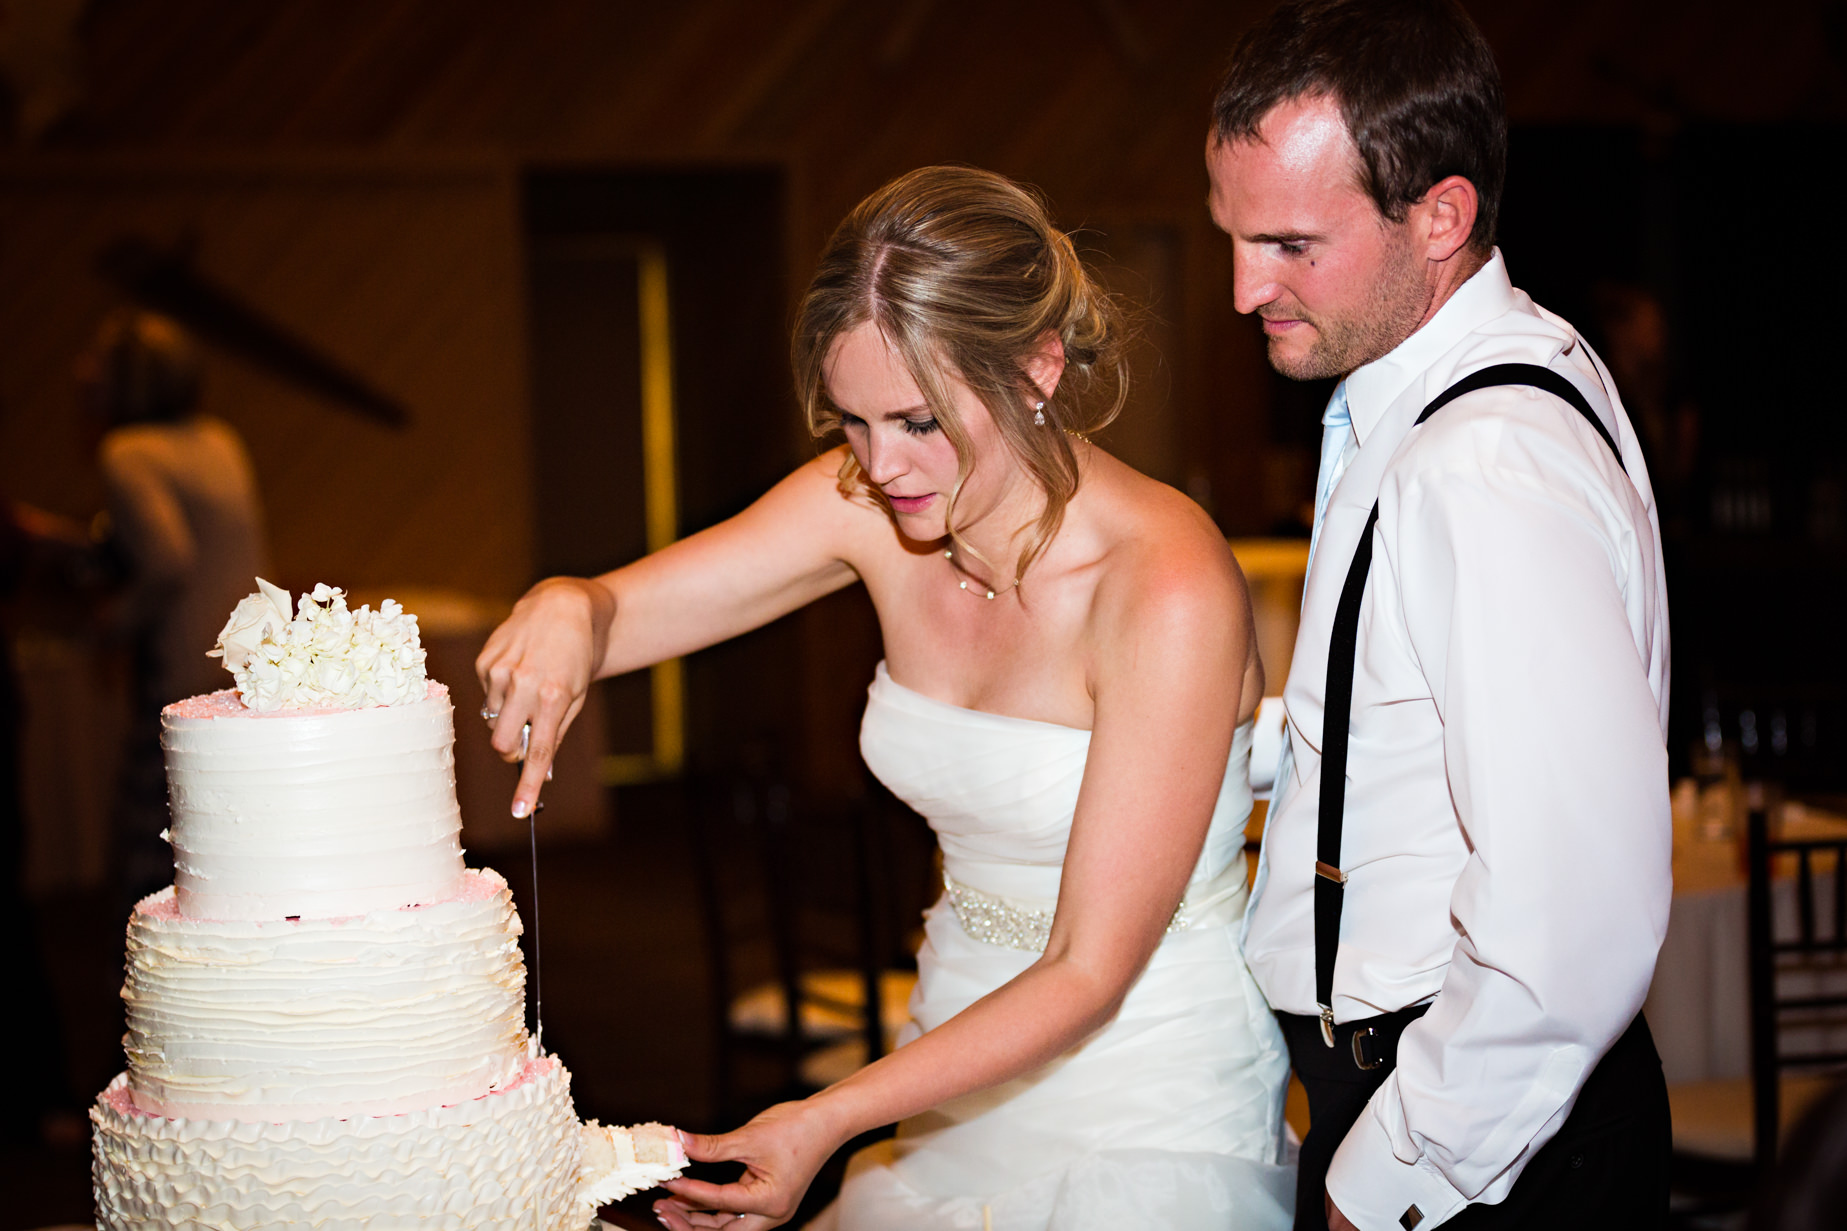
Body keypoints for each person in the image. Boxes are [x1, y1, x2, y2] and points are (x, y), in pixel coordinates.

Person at [476, 165, 1294, 1230]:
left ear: (1036, 369)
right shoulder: (869, 498)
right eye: (852, 421)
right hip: (953, 1051)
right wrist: (565, 604)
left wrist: (829, 1117)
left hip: (1146, 1090)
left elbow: (1089, 968)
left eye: (915, 420)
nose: (879, 464)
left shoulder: (1164, 584)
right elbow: (621, 611)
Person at [1209, 3, 1672, 1229]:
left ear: (1441, 217)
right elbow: (1402, 724)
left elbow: (1571, 921)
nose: (1243, 285)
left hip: (1470, 1129)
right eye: (1236, 236)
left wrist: (1386, 1182)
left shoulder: (1482, 459)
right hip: (1440, 1100)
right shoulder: (1437, 389)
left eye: (1290, 243)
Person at [80, 310, 270, 902]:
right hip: (253, 664)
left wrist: (110, 625)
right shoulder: (219, 438)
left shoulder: (128, 451)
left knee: (156, 860)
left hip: (182, 674)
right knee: (238, 844)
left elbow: (168, 561)